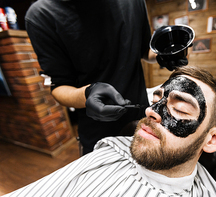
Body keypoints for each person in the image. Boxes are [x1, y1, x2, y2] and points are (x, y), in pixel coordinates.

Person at [3, 66, 216, 197]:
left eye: (179, 108)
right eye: (157, 99)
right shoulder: (113, 149)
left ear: (212, 139)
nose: (152, 111)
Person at [25, 0, 157, 155]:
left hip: (142, 122)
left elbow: (145, 50)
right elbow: (59, 86)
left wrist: (164, 52)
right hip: (97, 137)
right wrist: (87, 94)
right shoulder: (42, 15)